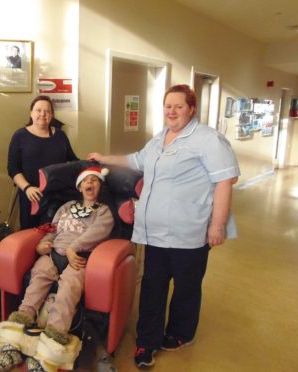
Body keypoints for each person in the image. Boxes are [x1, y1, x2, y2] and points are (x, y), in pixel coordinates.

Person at [87, 84, 240, 368]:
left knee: (186, 287)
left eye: (178, 106)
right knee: (153, 286)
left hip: (190, 232)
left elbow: (225, 181)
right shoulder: (160, 139)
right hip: (155, 232)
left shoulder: (208, 140)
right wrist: (104, 158)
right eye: (167, 106)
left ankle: (181, 333)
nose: (171, 111)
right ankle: (147, 341)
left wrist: (217, 225)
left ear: (191, 109)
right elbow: (135, 160)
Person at [0, 167, 114, 372]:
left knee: (69, 287)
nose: (90, 183)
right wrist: (42, 244)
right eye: (86, 181)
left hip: (79, 259)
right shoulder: (66, 208)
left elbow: (97, 233)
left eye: (95, 180)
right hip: (53, 253)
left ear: (100, 186)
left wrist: (74, 248)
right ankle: (12, 343)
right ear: (80, 186)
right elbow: (53, 231)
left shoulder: (103, 211)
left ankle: (48, 353)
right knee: (39, 276)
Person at [7, 95, 78, 230]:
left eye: (47, 111)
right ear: (31, 113)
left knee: (53, 236)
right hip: (31, 196)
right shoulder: (20, 136)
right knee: (30, 236)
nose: (42, 114)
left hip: (57, 198)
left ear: (51, 115)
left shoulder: (60, 135)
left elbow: (73, 161)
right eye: (38, 110)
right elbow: (13, 168)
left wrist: (91, 163)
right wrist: (27, 188)